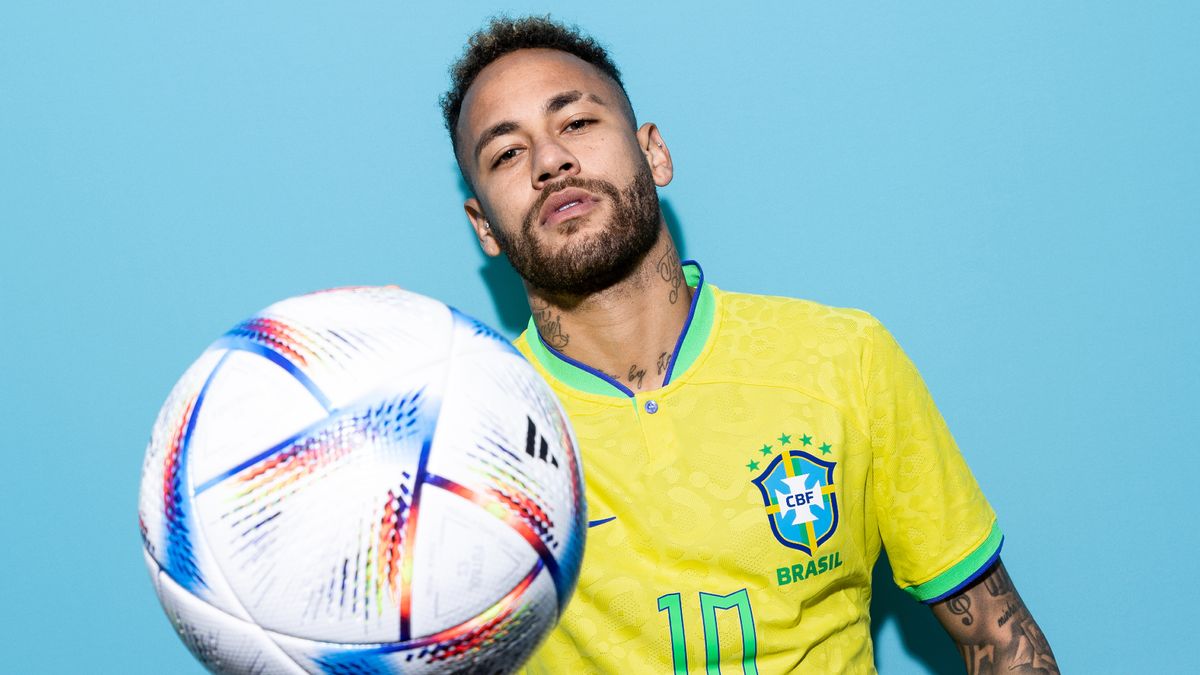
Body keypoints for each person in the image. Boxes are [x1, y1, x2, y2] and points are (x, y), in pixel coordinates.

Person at [440, 16, 1058, 674]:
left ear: (654, 153)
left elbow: (999, 637)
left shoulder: (843, 358)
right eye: (506, 153)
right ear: (484, 225)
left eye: (578, 122)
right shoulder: (467, 433)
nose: (550, 161)